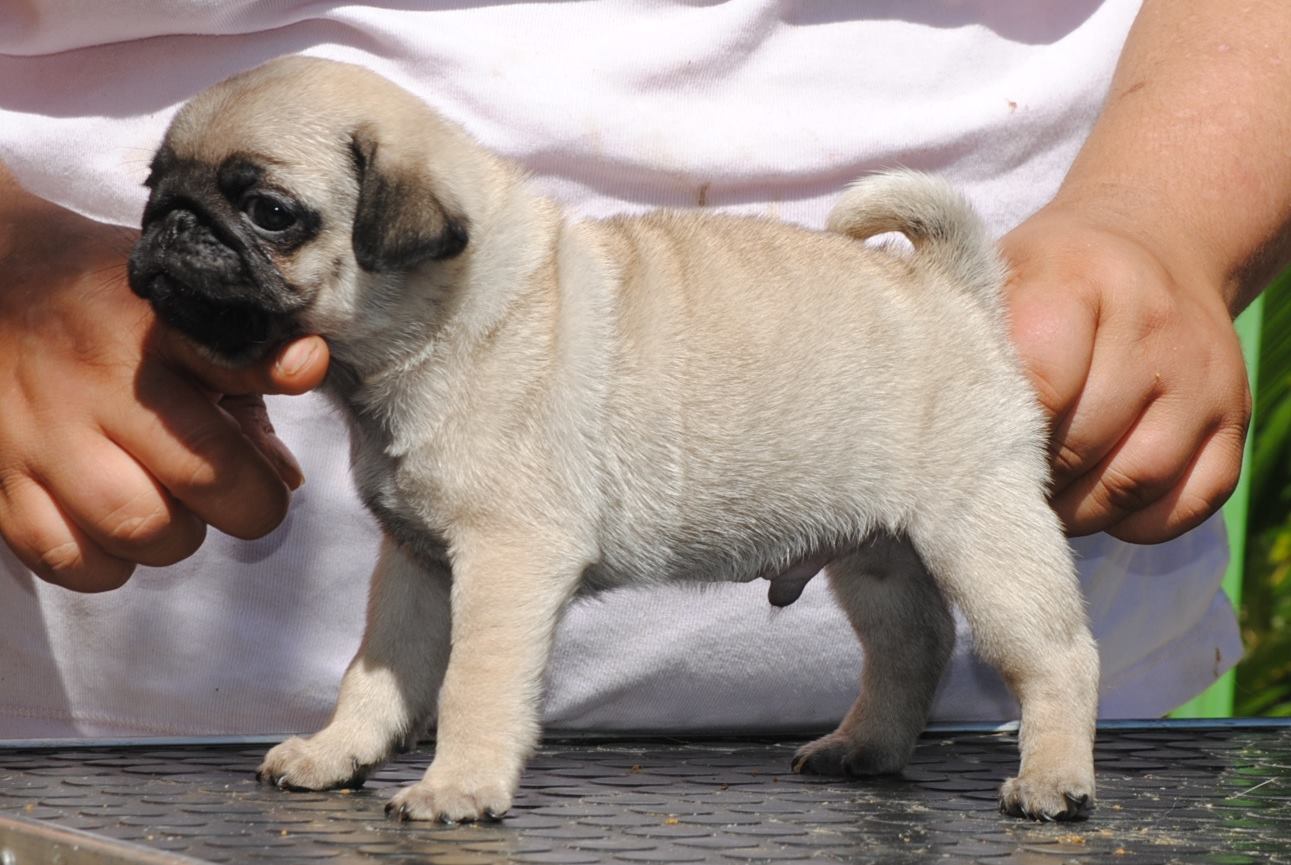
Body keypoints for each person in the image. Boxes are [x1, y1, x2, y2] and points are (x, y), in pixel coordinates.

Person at [0, 0, 1276, 739]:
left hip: (993, 708)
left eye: (261, 210)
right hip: (144, 735)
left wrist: (1168, 216)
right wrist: (14, 257)